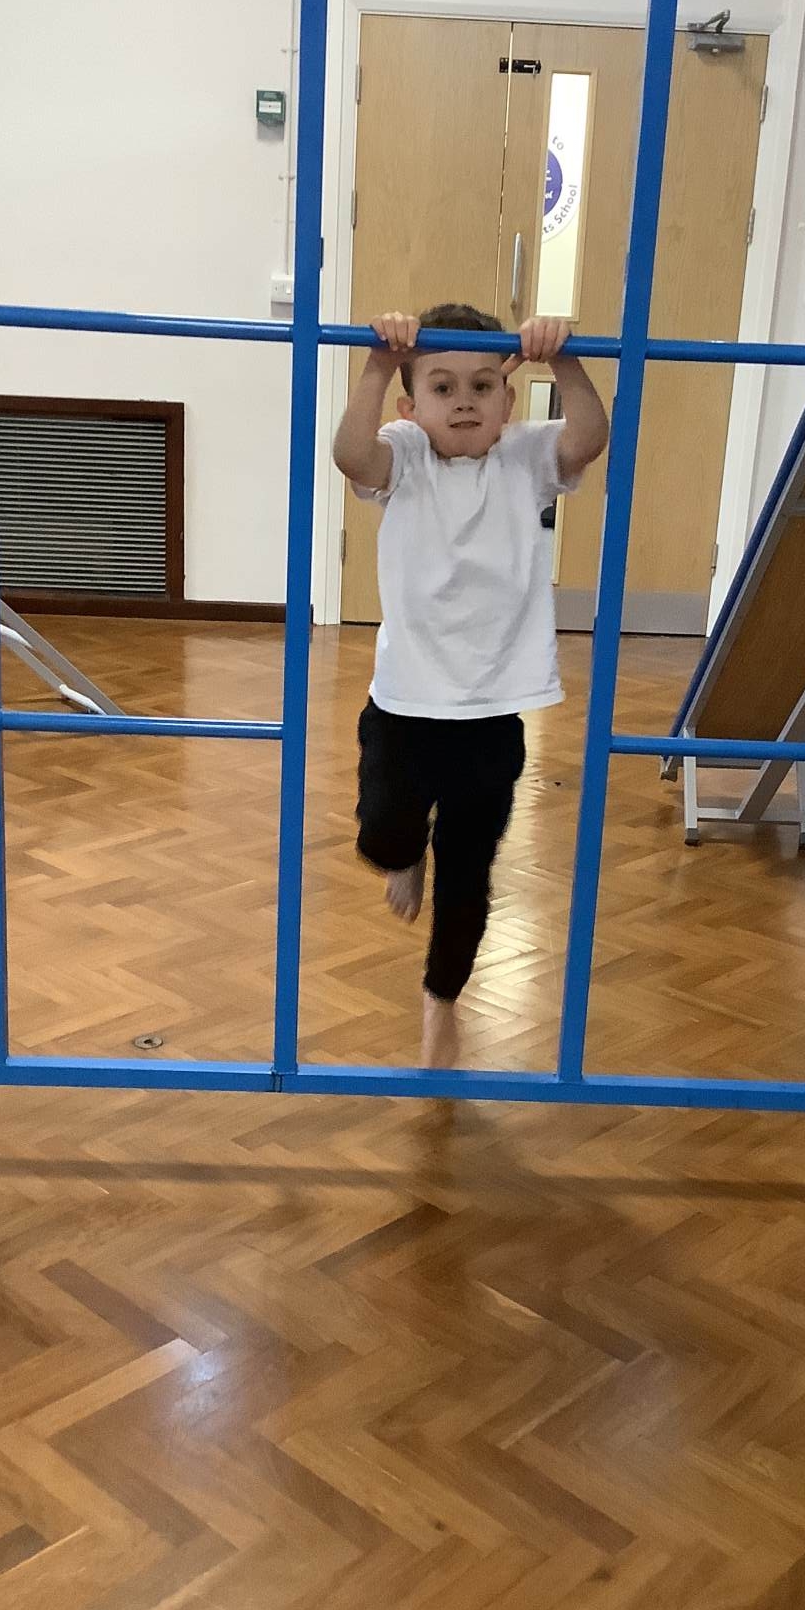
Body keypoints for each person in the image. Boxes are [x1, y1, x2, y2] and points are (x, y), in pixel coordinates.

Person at [333, 302, 610, 1067]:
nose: (463, 402)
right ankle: (405, 853)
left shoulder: (525, 458)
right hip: (405, 706)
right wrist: (379, 362)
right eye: (442, 387)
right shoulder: (405, 456)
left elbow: (589, 436)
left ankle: (442, 999)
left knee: (469, 876)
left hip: (492, 716)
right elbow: (351, 456)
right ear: (411, 408)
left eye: (482, 386)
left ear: (507, 402)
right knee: (383, 834)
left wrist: (564, 358)